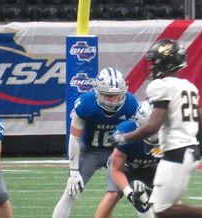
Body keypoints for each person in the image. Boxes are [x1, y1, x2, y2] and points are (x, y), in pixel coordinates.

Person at [111, 38, 202, 218]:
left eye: (154, 61)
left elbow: (152, 127)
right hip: (191, 152)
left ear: (163, 62)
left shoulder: (160, 86)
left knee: (162, 209)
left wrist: (124, 137)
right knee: (162, 208)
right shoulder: (188, 86)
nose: (152, 66)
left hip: (176, 153)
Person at [52, 67, 139, 218]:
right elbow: (74, 138)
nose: (113, 100)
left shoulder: (131, 103)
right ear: (97, 91)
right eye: (107, 95)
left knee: (137, 192)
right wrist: (73, 171)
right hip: (90, 150)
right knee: (71, 191)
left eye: (116, 95)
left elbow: (138, 135)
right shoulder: (86, 103)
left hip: (117, 152)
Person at [102, 100, 161, 218]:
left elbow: (170, 168)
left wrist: (156, 193)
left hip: (151, 167)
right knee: (113, 195)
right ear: (138, 124)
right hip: (125, 167)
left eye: (158, 127)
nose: (154, 133)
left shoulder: (172, 135)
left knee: (171, 197)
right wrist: (129, 193)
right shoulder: (126, 131)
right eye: (148, 128)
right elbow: (116, 170)